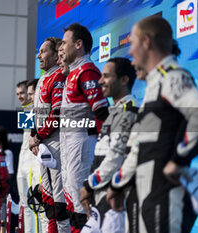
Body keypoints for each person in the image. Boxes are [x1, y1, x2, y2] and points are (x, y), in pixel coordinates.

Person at [107, 16, 198, 233]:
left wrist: (179, 159)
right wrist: (117, 184)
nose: (129, 52)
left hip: (166, 194)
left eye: (133, 43)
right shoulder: (153, 86)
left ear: (147, 42)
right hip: (144, 192)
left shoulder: (172, 76)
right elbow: (139, 147)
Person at [59, 23, 109, 232]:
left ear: (78, 44)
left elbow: (102, 113)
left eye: (64, 43)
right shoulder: (73, 71)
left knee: (81, 202)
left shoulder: (87, 71)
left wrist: (104, 148)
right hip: (69, 143)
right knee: (71, 199)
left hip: (81, 143)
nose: (61, 48)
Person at [79, 58, 138, 233]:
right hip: (100, 196)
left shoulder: (129, 111)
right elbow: (100, 158)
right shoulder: (115, 112)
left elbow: (114, 160)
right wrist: (90, 189)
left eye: (106, 76)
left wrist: (88, 186)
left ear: (124, 80)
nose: (100, 81)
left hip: (116, 198)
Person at [29, 37, 70, 233]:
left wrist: (38, 137)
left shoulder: (59, 78)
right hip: (44, 145)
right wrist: (33, 136)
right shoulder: (43, 79)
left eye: (43, 51)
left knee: (60, 203)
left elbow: (56, 115)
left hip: (56, 144)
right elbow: (37, 113)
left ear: (56, 55)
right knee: (47, 200)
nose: (39, 55)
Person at [16, 81, 42, 233]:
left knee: (36, 204)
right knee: (24, 204)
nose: (20, 96)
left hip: (35, 162)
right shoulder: (25, 110)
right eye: (18, 94)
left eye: (23, 93)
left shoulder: (38, 109)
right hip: (23, 161)